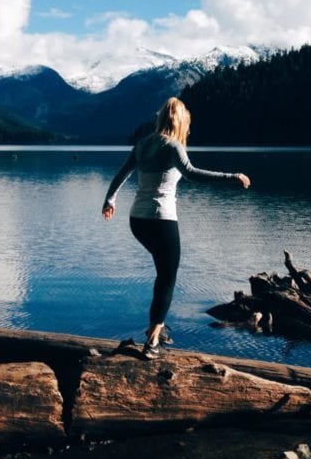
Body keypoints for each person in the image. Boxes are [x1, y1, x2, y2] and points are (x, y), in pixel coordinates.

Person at [102, 97, 251, 359]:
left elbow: (122, 173)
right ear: (181, 122)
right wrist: (232, 176)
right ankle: (152, 341)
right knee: (167, 278)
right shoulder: (173, 146)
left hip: (137, 220)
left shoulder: (143, 143)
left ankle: (159, 327)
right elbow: (192, 173)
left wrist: (110, 199)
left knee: (163, 272)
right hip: (161, 220)